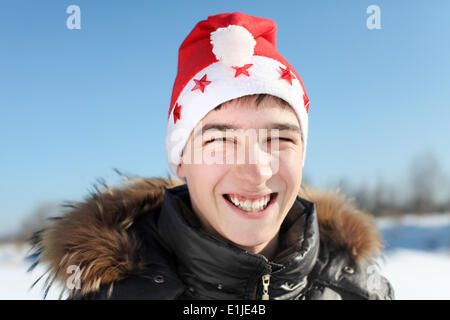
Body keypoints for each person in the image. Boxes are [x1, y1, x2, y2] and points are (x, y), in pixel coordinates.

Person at [28, 12, 394, 300]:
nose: (256, 170)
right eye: (220, 140)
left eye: (279, 137)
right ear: (181, 159)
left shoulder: (362, 290)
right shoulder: (109, 295)